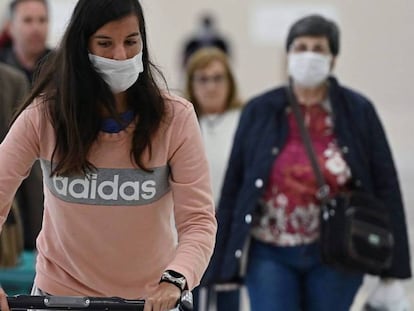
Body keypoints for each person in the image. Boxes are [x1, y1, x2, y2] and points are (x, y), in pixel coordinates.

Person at [0, 1, 217, 311]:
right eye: (105, 44)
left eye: (131, 41)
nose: (120, 56)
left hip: (151, 298)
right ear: (81, 47)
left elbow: (198, 221)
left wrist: (176, 279)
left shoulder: (175, 118)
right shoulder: (44, 116)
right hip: (61, 296)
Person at [201, 14, 411, 311]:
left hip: (338, 252)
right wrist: (218, 263)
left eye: (318, 48)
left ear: (333, 58)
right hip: (269, 251)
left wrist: (395, 271)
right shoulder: (260, 110)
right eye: (300, 47)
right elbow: (235, 186)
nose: (308, 55)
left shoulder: (358, 111)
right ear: (288, 54)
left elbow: (386, 186)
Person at [185, 47, 242, 311]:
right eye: (203, 79)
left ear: (229, 82)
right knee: (191, 291)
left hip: (231, 223)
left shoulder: (242, 120)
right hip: (189, 225)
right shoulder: (183, 121)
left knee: (228, 293)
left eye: (218, 78)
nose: (211, 86)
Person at [0, 0, 51, 84]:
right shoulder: (2, 67)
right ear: (10, 27)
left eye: (42, 20)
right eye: (28, 20)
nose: (36, 28)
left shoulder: (60, 64)